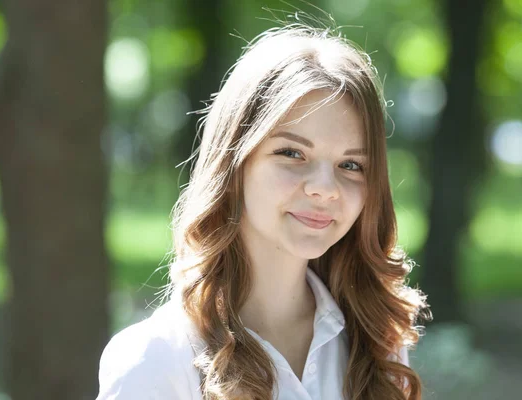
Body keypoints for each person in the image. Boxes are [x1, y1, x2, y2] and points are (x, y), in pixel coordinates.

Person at [96, 20, 430, 400]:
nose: (325, 188)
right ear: (234, 164)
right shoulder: (157, 361)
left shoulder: (377, 344)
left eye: (351, 165)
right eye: (292, 153)